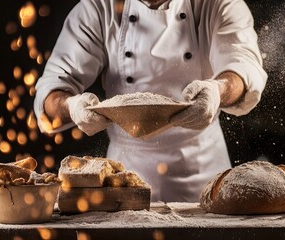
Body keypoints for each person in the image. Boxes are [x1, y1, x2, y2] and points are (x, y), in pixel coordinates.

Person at [34, 0, 267, 202]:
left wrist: (218, 90)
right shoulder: (97, 8)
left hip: (204, 173)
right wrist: (72, 106)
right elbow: (52, 88)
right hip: (124, 176)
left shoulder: (218, 4)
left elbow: (243, 65)